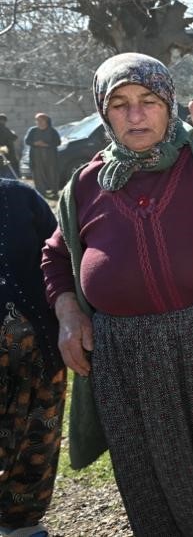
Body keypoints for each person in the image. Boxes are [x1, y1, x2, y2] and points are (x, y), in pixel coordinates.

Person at [40, 53, 193, 536]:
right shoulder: (86, 185)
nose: (135, 115)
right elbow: (56, 256)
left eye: (148, 100)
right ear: (103, 112)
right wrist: (69, 311)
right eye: (120, 104)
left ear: (168, 103)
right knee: (156, 483)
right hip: (130, 360)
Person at [0, 178, 66, 537]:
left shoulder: (19, 196)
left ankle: (21, 524)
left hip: (39, 352)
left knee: (36, 438)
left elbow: (59, 255)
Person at [24, 114, 59, 198]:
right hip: (36, 158)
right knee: (38, 175)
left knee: (52, 174)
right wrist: (35, 143)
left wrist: (46, 144)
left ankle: (54, 192)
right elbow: (27, 141)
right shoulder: (33, 130)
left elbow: (58, 142)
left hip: (50, 157)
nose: (38, 122)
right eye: (37, 120)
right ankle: (41, 192)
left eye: (40, 120)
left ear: (45, 121)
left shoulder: (52, 131)